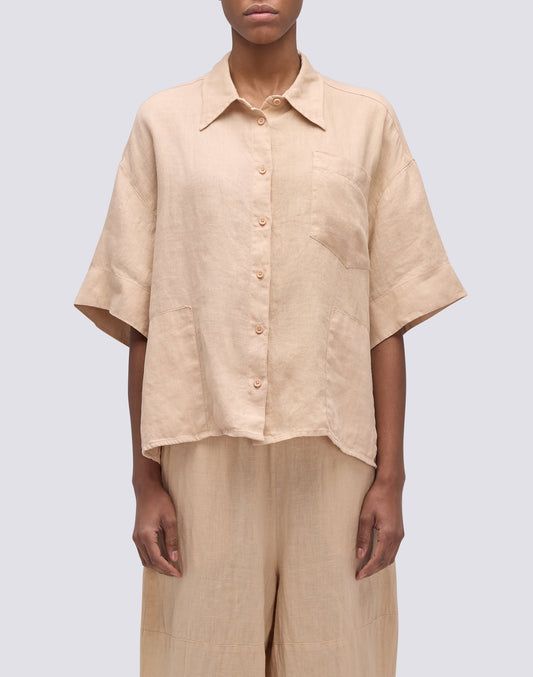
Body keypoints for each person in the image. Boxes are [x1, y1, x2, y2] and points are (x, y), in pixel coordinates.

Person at [73, 1, 467, 675]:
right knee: (198, 661)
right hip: (200, 455)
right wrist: (144, 481)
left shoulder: (366, 122)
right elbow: (141, 317)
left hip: (336, 457)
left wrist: (392, 479)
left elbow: (387, 317)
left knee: (339, 660)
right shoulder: (163, 124)